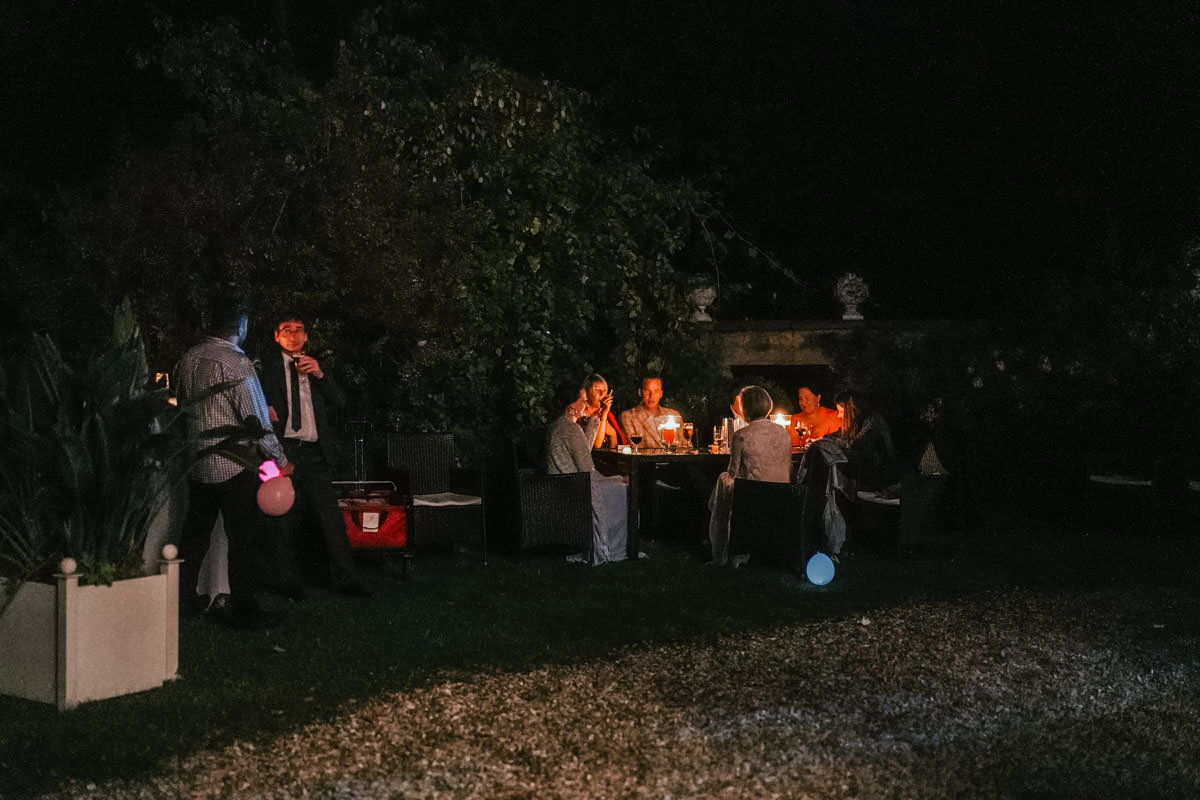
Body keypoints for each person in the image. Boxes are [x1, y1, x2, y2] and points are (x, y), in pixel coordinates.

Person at [175, 295, 293, 630]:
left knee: (194, 536)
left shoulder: (189, 359)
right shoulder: (236, 364)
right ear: (240, 326)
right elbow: (255, 420)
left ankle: (184, 600)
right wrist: (280, 459)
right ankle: (244, 608)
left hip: (198, 462)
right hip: (233, 463)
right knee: (243, 539)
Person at [259, 315, 372, 599]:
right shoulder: (268, 370)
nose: (294, 335)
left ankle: (346, 579)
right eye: (287, 330)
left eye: (299, 330)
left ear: (306, 336)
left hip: (316, 453)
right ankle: (288, 581)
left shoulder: (317, 367)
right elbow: (257, 407)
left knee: (330, 519)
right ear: (276, 336)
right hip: (285, 452)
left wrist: (320, 375)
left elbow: (340, 402)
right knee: (284, 520)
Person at [707, 385, 792, 565]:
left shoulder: (741, 435)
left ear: (745, 408)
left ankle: (722, 548)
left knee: (723, 480)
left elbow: (733, 471)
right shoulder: (783, 432)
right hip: (782, 492)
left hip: (753, 495)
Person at [545, 384, 629, 564]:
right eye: (583, 401)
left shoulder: (560, 424)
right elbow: (587, 467)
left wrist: (595, 420)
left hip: (562, 482)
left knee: (616, 483)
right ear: (571, 407)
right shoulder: (571, 430)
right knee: (621, 488)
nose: (586, 405)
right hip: (572, 486)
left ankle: (612, 542)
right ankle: (610, 545)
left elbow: (584, 447)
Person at [835, 389, 900, 494]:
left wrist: (831, 441)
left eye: (841, 412)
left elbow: (854, 445)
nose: (839, 416)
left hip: (881, 481)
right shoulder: (861, 422)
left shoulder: (873, 421)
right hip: (870, 479)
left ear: (851, 410)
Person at [619, 377, 684, 449]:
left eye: (656, 391)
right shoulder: (628, 416)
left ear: (661, 393)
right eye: (647, 391)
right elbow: (633, 448)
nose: (651, 396)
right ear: (640, 392)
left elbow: (686, 446)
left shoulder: (674, 415)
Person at [580, 373, 622, 448]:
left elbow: (614, 448)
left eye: (605, 390)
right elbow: (596, 445)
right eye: (597, 390)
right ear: (586, 392)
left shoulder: (608, 414)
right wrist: (603, 418)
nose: (602, 394)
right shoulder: (579, 414)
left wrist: (613, 433)